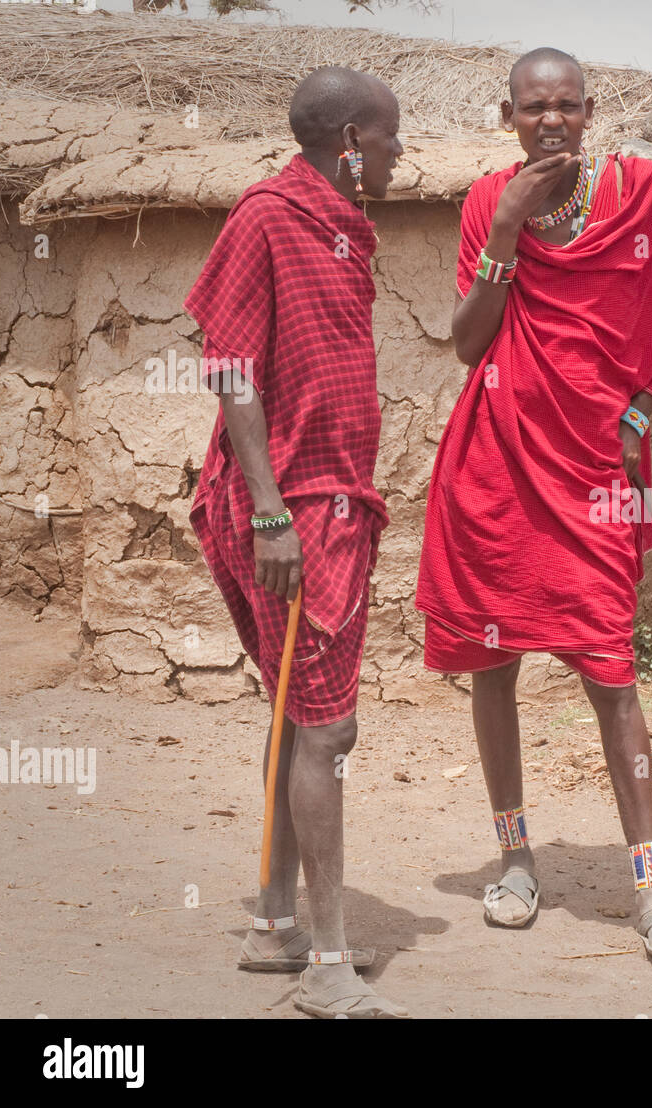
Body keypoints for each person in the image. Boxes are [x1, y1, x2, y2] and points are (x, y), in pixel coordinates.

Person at [415, 47, 652, 962]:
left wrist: (638, 415)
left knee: (609, 672)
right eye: (533, 108)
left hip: (594, 468)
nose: (551, 120)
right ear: (509, 117)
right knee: (493, 667)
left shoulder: (641, 196)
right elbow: (470, 346)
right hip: (494, 469)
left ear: (590, 112)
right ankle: (515, 861)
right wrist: (504, 233)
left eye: (566, 106)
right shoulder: (484, 204)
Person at [186, 67, 408, 1015]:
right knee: (326, 726)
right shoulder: (267, 217)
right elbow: (233, 371)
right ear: (352, 139)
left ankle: (274, 923)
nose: (404, 153)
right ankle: (327, 966)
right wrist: (272, 512)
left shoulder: (338, 227)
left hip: (332, 503)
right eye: (393, 136)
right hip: (290, 510)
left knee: (295, 712)